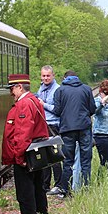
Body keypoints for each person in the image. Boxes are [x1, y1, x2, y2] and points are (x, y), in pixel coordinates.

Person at [2, 73, 50, 214]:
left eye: (12, 89)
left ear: (19, 87)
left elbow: (22, 133)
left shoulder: (23, 104)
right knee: (38, 191)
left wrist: (18, 155)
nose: (11, 93)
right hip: (37, 154)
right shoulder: (34, 101)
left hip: (27, 155)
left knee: (26, 194)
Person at [51, 70, 95, 197]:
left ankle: (66, 190)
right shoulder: (86, 89)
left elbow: (57, 111)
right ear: (77, 77)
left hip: (67, 129)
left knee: (68, 161)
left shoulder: (60, 90)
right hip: (84, 128)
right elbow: (92, 109)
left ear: (65, 78)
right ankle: (85, 188)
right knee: (86, 160)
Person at [36, 65, 62, 193]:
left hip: (53, 125)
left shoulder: (57, 90)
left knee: (55, 155)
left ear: (53, 75)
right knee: (44, 156)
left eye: (48, 76)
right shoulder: (41, 88)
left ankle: (58, 184)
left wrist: (43, 104)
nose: (45, 78)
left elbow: (58, 110)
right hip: (43, 124)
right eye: (43, 76)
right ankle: (45, 185)